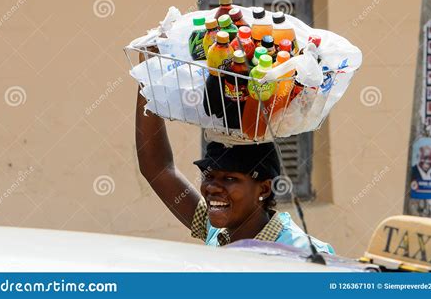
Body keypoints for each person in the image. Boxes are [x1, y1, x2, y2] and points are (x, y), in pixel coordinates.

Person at [135, 51, 334, 253]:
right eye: (209, 175)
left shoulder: (306, 255)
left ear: (264, 189)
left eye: (229, 178)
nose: (212, 187)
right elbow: (157, 168)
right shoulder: (216, 230)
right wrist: (147, 78)